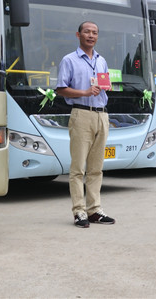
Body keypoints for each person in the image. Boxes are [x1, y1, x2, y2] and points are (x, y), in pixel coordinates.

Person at [56, 21, 115, 228]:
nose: (91, 35)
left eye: (95, 32)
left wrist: (106, 86)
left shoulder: (101, 60)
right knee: (78, 168)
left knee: (96, 168)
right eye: (87, 32)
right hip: (81, 114)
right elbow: (61, 89)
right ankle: (79, 211)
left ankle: (94, 210)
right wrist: (85, 92)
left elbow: (104, 84)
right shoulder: (69, 60)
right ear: (78, 34)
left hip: (102, 115)